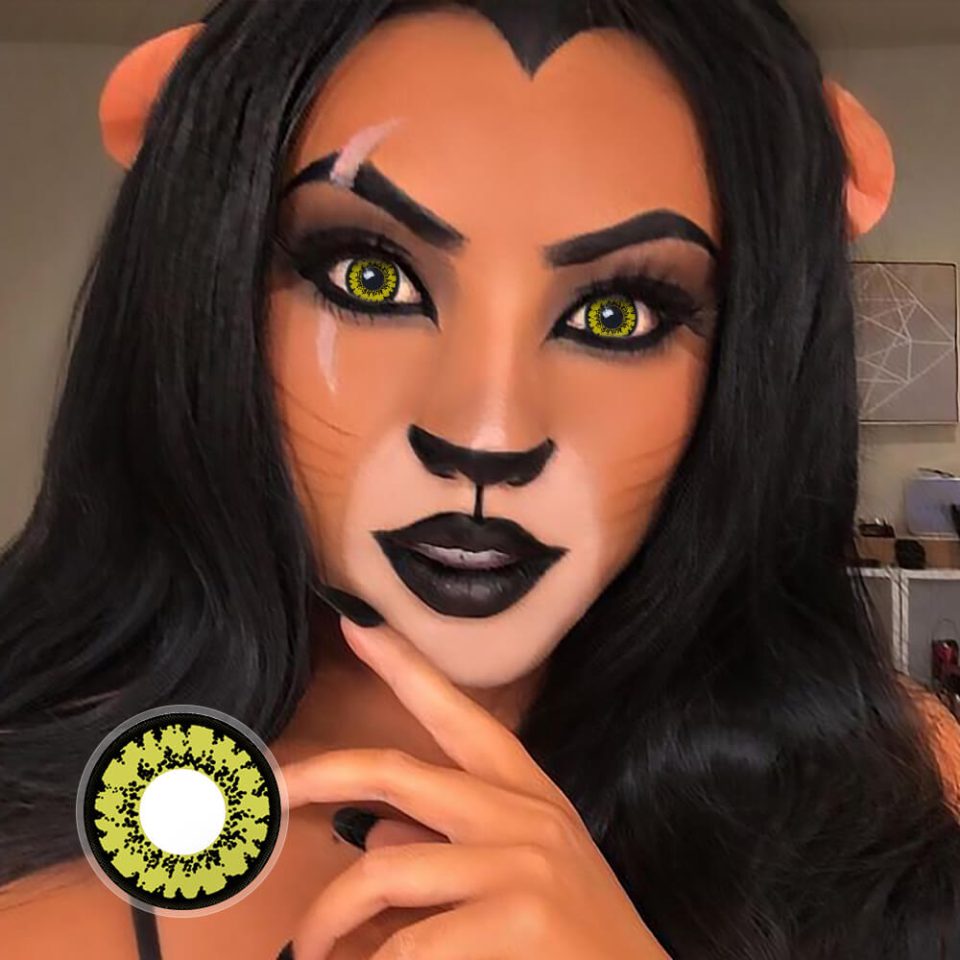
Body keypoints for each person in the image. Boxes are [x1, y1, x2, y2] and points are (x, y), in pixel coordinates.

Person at [1, 1, 959, 957]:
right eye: (370, 278)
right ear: (206, 287)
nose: (488, 436)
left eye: (618, 315)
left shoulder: (898, 786)